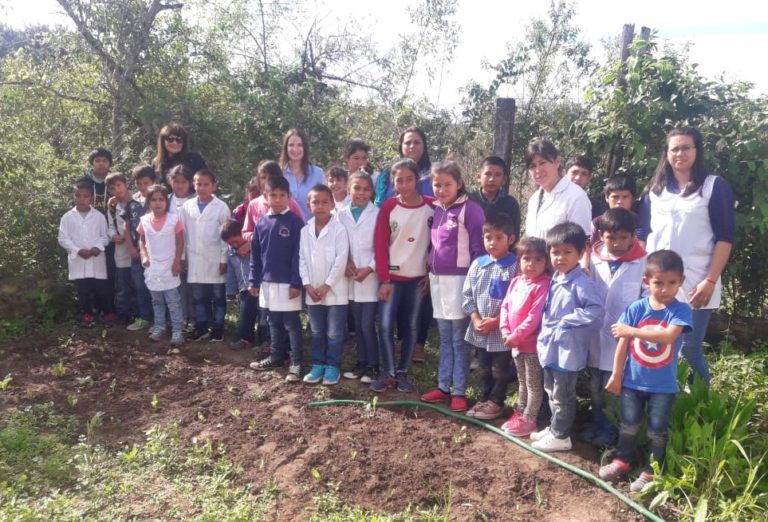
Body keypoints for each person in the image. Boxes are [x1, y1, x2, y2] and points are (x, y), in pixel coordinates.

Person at [639, 127, 734, 384]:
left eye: (686, 147)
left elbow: (725, 238)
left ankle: (701, 409)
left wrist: (710, 280)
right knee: (657, 349)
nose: (680, 153)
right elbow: (642, 234)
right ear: (667, 154)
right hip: (656, 284)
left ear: (697, 151)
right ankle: (665, 408)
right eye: (674, 148)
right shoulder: (655, 190)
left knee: (688, 350)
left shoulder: (713, 186)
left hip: (697, 283)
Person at [599, 250, 692, 493]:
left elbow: (669, 335)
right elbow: (622, 344)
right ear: (646, 282)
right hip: (632, 381)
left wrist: (631, 331)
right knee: (628, 424)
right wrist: (617, 374)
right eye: (658, 282)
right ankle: (623, 459)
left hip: (664, 386)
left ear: (681, 281)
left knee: (657, 430)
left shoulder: (681, 311)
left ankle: (651, 471)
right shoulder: (636, 308)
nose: (665, 289)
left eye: (672, 283)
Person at [530, 222, 603, 452]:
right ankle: (554, 428)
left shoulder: (581, 282)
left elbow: (596, 311)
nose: (560, 257)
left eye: (567, 252)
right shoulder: (557, 277)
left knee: (563, 394)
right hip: (552, 347)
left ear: (581, 253)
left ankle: (562, 435)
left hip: (567, 351)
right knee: (551, 390)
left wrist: (567, 321)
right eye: (555, 252)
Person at [419, 161, 485, 412]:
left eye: (447, 184)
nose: (442, 189)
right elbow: (433, 247)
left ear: (459, 184)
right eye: (437, 184)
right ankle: (443, 386)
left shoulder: (471, 210)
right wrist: (428, 271)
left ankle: (459, 391)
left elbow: (479, 250)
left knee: (459, 340)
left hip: (461, 282)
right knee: (445, 337)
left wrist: (474, 284)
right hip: (438, 282)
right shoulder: (436, 210)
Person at [585, 207, 647, 447]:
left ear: (633, 236)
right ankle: (596, 423)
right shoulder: (594, 257)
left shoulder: (644, 262)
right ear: (601, 236)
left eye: (623, 237)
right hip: (596, 334)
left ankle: (611, 430)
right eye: (611, 237)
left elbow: (647, 298)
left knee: (616, 387)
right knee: (595, 386)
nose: (617, 243)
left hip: (624, 339)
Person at [372, 159, 435, 392]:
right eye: (399, 180)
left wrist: (430, 274)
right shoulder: (389, 207)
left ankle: (402, 372)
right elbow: (380, 245)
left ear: (417, 180)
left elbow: (436, 245)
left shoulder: (432, 206)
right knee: (386, 325)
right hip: (393, 280)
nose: (405, 184)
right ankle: (387, 372)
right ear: (392, 182)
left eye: (409, 179)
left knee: (411, 326)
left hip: (417, 279)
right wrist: (384, 279)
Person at [461, 214, 518, 420]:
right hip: (480, 331)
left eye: (498, 237)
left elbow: (515, 300)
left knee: (499, 369)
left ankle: (496, 402)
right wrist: (475, 319)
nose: (492, 242)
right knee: (483, 367)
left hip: (501, 332)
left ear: (510, 239)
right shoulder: (478, 264)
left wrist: (497, 321)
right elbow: (467, 295)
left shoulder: (515, 266)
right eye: (488, 237)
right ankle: (484, 398)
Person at [248, 175, 305, 382]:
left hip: (288, 283)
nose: (278, 199)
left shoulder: (295, 223)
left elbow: (299, 256)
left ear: (289, 197)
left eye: (282, 195)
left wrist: (296, 282)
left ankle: (296, 362)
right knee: (273, 322)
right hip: (267, 283)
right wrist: (254, 280)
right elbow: (255, 254)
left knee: (291, 323)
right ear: (266, 196)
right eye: (274, 195)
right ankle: (276, 356)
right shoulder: (261, 222)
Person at [498, 237, 551, 435]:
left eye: (538, 259)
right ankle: (520, 414)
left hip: (531, 346)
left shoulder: (543, 285)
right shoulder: (516, 282)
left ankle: (530, 420)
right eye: (526, 258)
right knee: (522, 382)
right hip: (515, 344)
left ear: (546, 262)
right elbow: (505, 306)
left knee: (533, 384)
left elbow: (534, 317)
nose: (531, 264)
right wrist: (505, 330)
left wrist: (516, 335)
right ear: (519, 260)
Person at [300, 185, 350, 385]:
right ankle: (318, 364)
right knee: (317, 331)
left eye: (324, 202)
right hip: (312, 292)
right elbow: (302, 259)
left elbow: (341, 260)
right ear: (308, 205)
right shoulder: (305, 231)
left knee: (334, 332)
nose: (320, 206)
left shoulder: (339, 229)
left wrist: (327, 285)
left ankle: (332, 366)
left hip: (335, 291)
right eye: (315, 202)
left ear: (332, 204)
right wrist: (307, 285)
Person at [179, 169, 231, 342]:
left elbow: (226, 236)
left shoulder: (221, 207)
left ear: (214, 186)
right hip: (194, 259)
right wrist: (182, 257)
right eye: (198, 184)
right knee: (199, 297)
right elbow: (183, 235)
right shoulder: (187, 206)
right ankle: (202, 327)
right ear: (193, 185)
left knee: (217, 297)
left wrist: (224, 259)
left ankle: (217, 329)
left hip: (215, 259)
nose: (202, 187)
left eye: (206, 184)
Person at [339, 171, 380, 383]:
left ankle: (373, 365)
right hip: (351, 276)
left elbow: (382, 247)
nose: (361, 193)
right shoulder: (341, 214)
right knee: (357, 324)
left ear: (372, 192)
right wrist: (345, 262)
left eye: (366, 189)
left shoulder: (378, 213)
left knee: (366, 324)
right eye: (357, 188)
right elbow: (339, 243)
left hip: (370, 277)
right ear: (349, 190)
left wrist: (370, 268)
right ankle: (361, 364)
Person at [58, 181, 113, 328]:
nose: (81, 199)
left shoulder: (99, 216)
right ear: (73, 197)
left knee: (101, 289)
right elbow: (63, 238)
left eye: (85, 196)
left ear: (92, 198)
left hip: (96, 258)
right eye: (78, 196)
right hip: (79, 260)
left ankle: (107, 313)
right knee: (83, 291)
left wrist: (97, 248)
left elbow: (105, 236)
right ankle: (87, 315)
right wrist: (77, 250)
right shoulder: (67, 217)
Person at [137, 184, 185, 346]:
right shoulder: (144, 221)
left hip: (170, 266)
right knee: (156, 300)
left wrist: (177, 261)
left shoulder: (173, 219)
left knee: (173, 301)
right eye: (153, 200)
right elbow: (142, 241)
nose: (157, 203)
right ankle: (159, 326)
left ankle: (178, 330)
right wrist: (144, 256)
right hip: (152, 267)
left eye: (161, 199)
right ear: (148, 202)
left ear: (166, 201)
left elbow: (180, 241)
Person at [524, 140, 592, 240]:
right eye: (532, 166)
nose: (538, 170)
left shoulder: (576, 197)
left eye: (542, 163)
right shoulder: (534, 199)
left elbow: (581, 242)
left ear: (557, 162)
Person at [106, 172, 142, 325]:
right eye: (112, 188)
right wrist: (114, 236)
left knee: (139, 285)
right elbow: (110, 226)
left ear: (126, 184)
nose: (117, 190)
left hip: (139, 250)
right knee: (122, 285)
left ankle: (141, 315)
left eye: (119, 185)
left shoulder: (138, 201)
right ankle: (123, 315)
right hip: (121, 251)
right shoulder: (113, 207)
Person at [221, 219, 261, 350]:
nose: (234, 245)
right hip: (244, 289)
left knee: (263, 316)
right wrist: (230, 292)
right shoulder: (232, 253)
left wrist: (250, 246)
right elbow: (231, 274)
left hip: (259, 287)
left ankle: (263, 341)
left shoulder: (255, 247)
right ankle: (245, 338)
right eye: (231, 243)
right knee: (245, 315)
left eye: (236, 241)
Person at [123, 165, 155, 331]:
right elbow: (126, 225)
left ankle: (161, 320)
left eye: (146, 183)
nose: (142, 187)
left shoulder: (159, 199)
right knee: (140, 285)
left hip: (157, 252)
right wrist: (130, 246)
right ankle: (144, 318)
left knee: (158, 286)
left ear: (154, 182)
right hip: (137, 252)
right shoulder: (132, 201)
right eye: (139, 183)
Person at [242, 160, 305, 241]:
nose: (267, 181)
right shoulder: (254, 205)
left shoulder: (290, 203)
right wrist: (257, 236)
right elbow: (246, 231)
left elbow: (302, 229)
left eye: (271, 177)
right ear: (258, 180)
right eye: (263, 177)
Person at [166, 164, 195, 332]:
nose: (179, 185)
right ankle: (179, 318)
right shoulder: (165, 199)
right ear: (170, 181)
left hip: (192, 251)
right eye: (175, 181)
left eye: (183, 182)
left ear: (190, 183)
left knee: (191, 286)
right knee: (176, 286)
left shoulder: (195, 200)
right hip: (171, 251)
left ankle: (193, 319)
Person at [374, 126, 433, 206]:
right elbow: (378, 206)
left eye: (417, 142)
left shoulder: (434, 174)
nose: (412, 146)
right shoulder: (386, 175)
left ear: (424, 146)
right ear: (401, 146)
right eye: (407, 143)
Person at [468, 156, 521, 239]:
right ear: (478, 177)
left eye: (497, 175)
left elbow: (514, 237)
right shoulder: (468, 201)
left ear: (504, 180)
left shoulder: (510, 203)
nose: (492, 179)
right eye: (488, 174)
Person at [280, 128, 325, 220]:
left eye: (299, 145)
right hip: (284, 230)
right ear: (286, 148)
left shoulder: (318, 173)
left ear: (305, 148)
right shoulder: (279, 174)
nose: (295, 149)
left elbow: (325, 203)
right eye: (291, 145)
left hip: (311, 230)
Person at [589, 175, 639, 245]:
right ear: (607, 197)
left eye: (625, 197)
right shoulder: (597, 223)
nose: (620, 201)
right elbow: (588, 247)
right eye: (615, 197)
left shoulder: (640, 222)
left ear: (633, 198)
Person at [153, 122, 207, 187]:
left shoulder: (194, 159)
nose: (175, 143)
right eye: (170, 139)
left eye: (179, 140)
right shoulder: (156, 162)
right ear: (163, 141)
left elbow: (206, 183)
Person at [565, 155, 605, 219]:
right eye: (574, 172)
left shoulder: (594, 206)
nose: (578, 178)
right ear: (565, 174)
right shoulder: (554, 198)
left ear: (589, 179)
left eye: (584, 174)